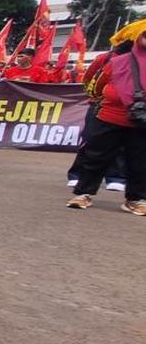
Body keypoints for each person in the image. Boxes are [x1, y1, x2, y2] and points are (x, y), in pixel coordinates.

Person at [67, 19, 146, 215]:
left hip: (142, 123)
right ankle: (83, 194)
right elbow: (97, 86)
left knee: (140, 161)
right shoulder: (117, 61)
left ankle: (135, 199)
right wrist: (108, 100)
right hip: (109, 117)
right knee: (96, 156)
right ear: (136, 38)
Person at [67, 39, 130, 190]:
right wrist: (96, 98)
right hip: (101, 108)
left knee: (122, 145)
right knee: (91, 142)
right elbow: (89, 78)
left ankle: (115, 177)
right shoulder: (106, 58)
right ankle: (77, 175)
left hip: (129, 111)